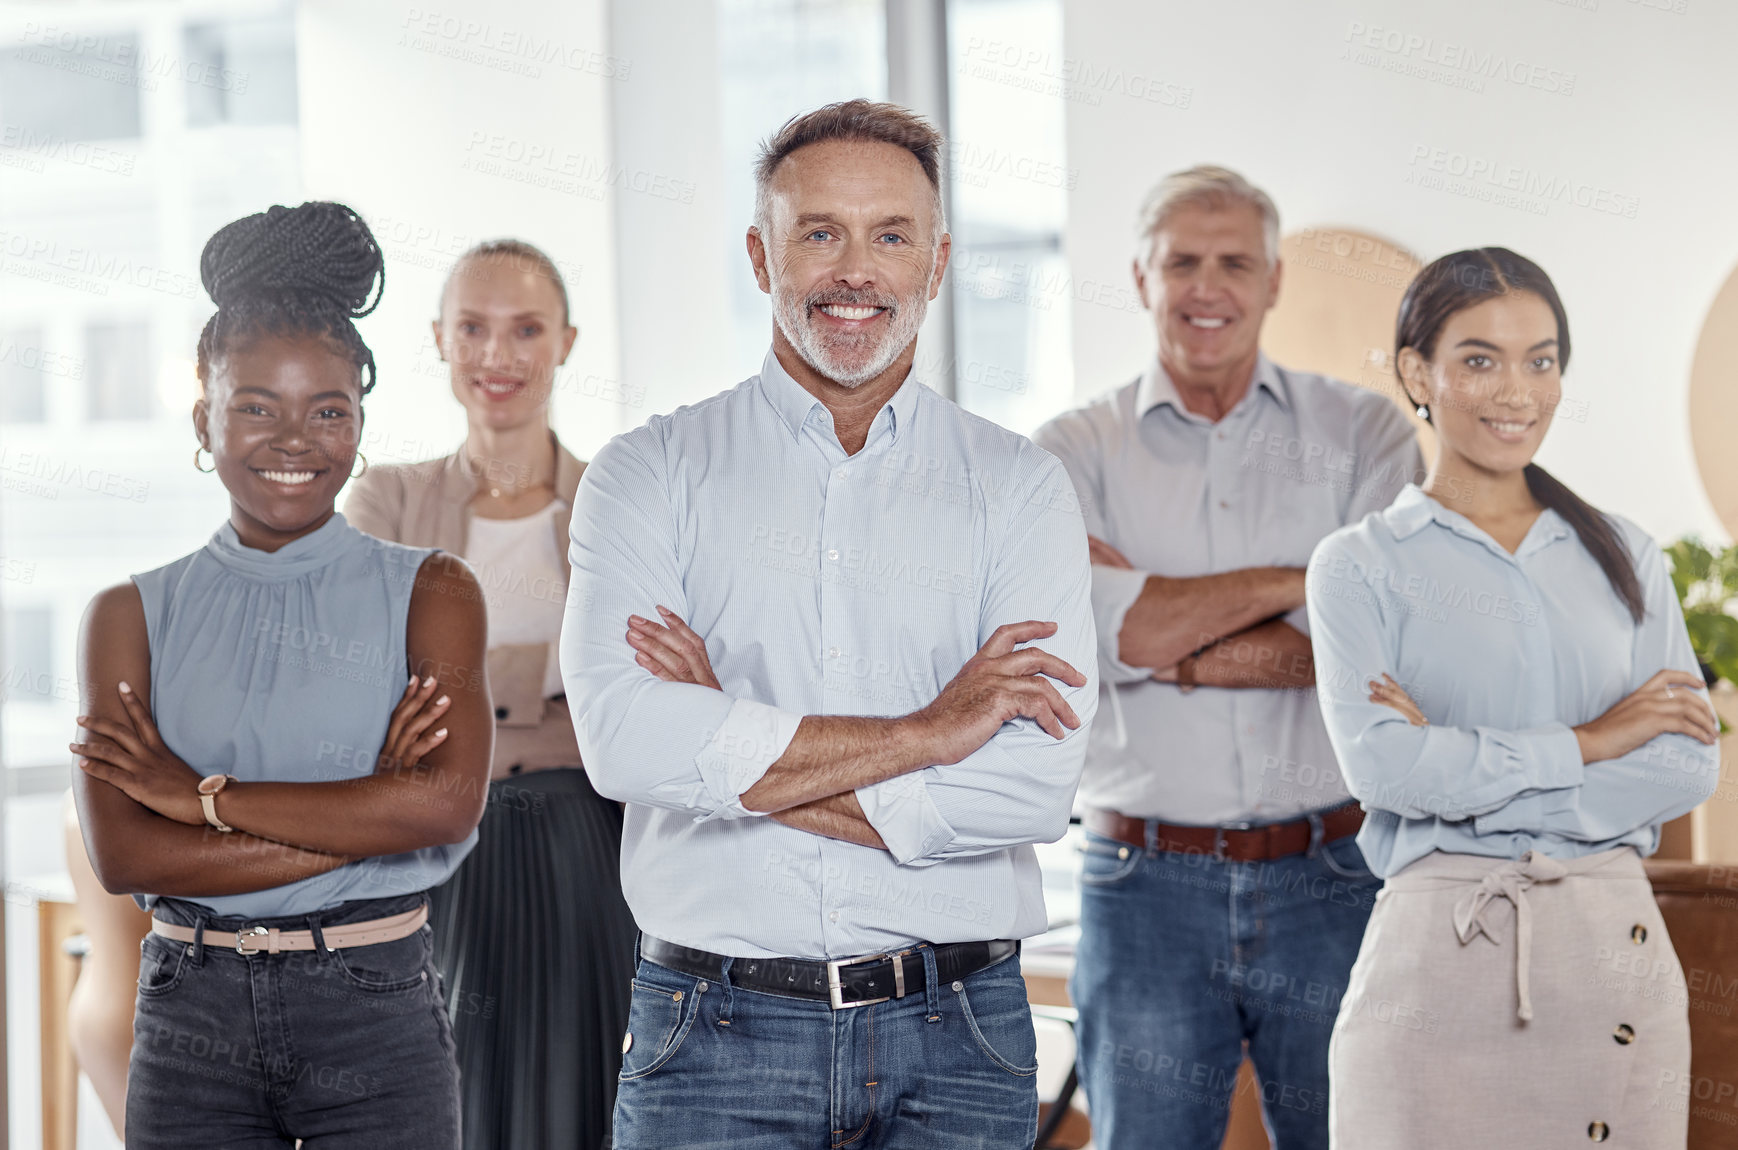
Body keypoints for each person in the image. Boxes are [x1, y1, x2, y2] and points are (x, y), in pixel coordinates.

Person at [560, 99, 1098, 1150]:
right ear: (761, 256)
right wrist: (926, 735)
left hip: (960, 1035)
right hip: (709, 1035)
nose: (856, 271)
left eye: (890, 236)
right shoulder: (648, 473)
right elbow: (626, 744)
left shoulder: (1020, 487)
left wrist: (726, 735)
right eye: (821, 234)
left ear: (936, 264)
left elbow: (1035, 785)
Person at [68, 201, 491, 1149]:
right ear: (203, 416)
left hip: (373, 1008)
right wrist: (372, 809)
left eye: (327, 410)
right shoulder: (127, 616)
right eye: (256, 406)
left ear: (359, 424)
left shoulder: (433, 591)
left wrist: (199, 798)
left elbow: (445, 808)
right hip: (191, 1016)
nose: (294, 440)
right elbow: (130, 856)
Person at [1031, 165, 1423, 1150]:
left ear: (1275, 280)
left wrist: (1163, 629)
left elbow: (1372, 646)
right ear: (1139, 277)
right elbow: (1090, 641)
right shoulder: (1069, 452)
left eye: (1234, 262)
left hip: (1331, 871)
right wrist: (1307, 580)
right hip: (1141, 882)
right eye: (1183, 262)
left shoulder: (1368, 431)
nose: (1208, 287)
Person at [1307, 247, 1720, 1148]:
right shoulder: (1360, 566)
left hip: (1613, 959)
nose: (1518, 390)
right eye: (1480, 360)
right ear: (1419, 372)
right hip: (1436, 976)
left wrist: (1464, 762)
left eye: (1541, 359)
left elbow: (1686, 763)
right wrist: (1596, 739)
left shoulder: (1627, 553)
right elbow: (1387, 771)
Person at [345, 238, 636, 1150]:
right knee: (440, 1098)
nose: (497, 356)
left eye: (525, 329)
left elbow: (641, 686)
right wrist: (549, 676)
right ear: (438, 338)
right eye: (472, 328)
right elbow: (364, 675)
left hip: (583, 847)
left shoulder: (618, 500)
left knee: (580, 1092)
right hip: (431, 844)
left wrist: (453, 680)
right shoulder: (386, 501)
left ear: (567, 342)